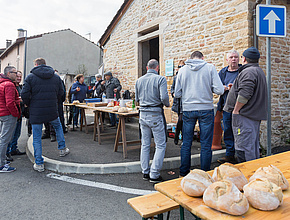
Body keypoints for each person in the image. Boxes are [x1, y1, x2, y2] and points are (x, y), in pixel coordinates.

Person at [175, 51, 224, 176]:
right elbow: (219, 90)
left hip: (188, 109)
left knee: (186, 142)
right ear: (202, 58)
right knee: (206, 143)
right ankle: (204, 174)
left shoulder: (183, 70)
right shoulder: (210, 68)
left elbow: (177, 94)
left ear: (191, 58)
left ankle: (183, 172)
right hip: (205, 108)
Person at [21, 58, 70, 172]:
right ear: (45, 64)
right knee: (58, 127)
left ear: (36, 65)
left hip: (36, 111)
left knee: (37, 137)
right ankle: (62, 149)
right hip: (52, 110)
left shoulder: (30, 77)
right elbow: (61, 92)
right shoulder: (56, 77)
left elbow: (24, 94)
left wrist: (28, 104)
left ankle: (39, 163)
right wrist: (54, 102)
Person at [224, 47, 267, 163]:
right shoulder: (257, 70)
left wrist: (236, 110)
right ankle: (254, 176)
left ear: (244, 59)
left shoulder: (248, 72)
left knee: (244, 149)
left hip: (245, 116)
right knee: (251, 148)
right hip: (251, 116)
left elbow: (245, 94)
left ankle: (248, 176)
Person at [135, 59, 170, 183]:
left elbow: (136, 99)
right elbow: (164, 97)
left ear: (146, 67)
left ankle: (145, 171)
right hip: (155, 114)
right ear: (157, 68)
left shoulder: (139, 80)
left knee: (145, 144)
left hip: (143, 114)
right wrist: (167, 104)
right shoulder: (160, 79)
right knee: (160, 145)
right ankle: (154, 174)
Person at [216, 50, 241, 164]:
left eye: (236, 57)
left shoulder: (242, 71)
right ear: (227, 60)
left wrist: (235, 88)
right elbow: (216, 87)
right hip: (227, 107)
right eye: (231, 57)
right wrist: (226, 88)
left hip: (241, 108)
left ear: (239, 59)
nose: (234, 59)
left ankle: (241, 155)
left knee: (240, 131)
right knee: (228, 130)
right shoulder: (223, 72)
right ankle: (230, 155)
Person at [0, 66, 21, 172]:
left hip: (2, 114)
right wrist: (16, 114)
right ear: (8, 73)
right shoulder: (9, 84)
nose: (17, 74)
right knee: (4, 140)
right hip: (8, 115)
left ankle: (2, 161)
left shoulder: (2, 83)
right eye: (15, 72)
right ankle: (1, 165)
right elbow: (9, 103)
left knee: (2, 139)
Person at [6, 71, 26, 161]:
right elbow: (10, 101)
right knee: (10, 135)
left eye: (20, 77)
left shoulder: (20, 86)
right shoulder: (11, 86)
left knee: (17, 133)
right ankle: (7, 152)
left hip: (19, 113)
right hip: (13, 114)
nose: (19, 78)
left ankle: (14, 149)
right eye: (17, 76)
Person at [171, 60, 185, 145]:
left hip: (184, 102)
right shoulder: (175, 77)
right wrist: (173, 93)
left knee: (181, 120)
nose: (181, 68)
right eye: (179, 67)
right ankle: (179, 137)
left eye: (182, 66)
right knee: (180, 120)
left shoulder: (186, 76)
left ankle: (179, 137)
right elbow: (172, 88)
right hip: (177, 102)